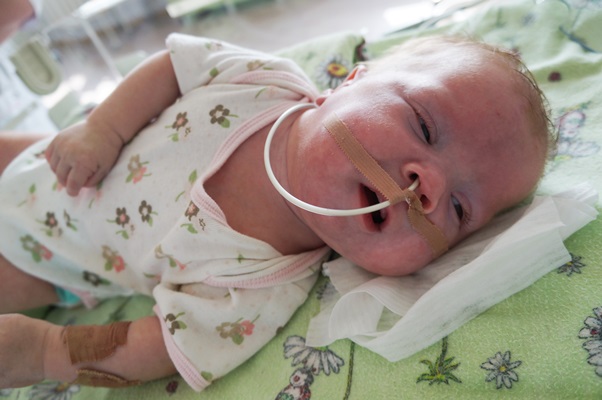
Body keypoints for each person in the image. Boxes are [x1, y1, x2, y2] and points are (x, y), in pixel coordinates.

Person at [0, 33, 554, 390]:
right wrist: (103, 128)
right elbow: (173, 66)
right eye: (425, 126)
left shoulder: (264, 284)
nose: (425, 186)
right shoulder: (261, 82)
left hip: (39, 259)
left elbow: (167, 344)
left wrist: (48, 351)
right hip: (52, 157)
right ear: (352, 81)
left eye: (458, 208)